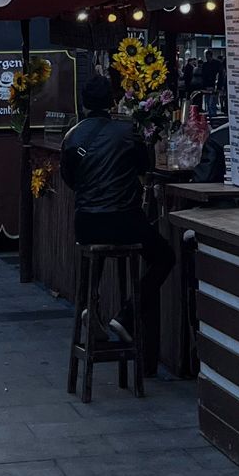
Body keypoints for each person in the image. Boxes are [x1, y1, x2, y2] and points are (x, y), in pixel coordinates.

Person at [61, 75, 173, 346]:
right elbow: (144, 167)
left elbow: (69, 179)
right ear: (112, 101)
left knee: (95, 252)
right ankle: (127, 314)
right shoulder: (127, 131)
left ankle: (91, 304)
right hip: (124, 222)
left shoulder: (72, 136)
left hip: (86, 224)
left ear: (84, 103)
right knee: (165, 257)